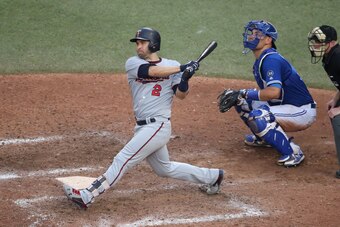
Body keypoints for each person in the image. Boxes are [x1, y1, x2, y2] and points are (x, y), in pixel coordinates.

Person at [62, 27, 224, 209]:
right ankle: (212, 176)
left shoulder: (172, 65)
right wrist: (181, 68)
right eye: (137, 43)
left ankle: (88, 194)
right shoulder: (133, 63)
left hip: (157, 126)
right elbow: (152, 72)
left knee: (122, 159)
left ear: (153, 44)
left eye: (142, 43)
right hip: (143, 127)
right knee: (164, 169)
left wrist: (185, 78)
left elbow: (180, 94)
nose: (138, 47)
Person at [220, 20, 317, 167]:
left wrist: (245, 92)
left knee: (259, 116)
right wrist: (243, 94)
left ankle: (293, 152)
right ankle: (265, 138)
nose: (252, 36)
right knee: (240, 99)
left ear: (268, 39)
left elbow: (274, 92)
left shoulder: (271, 60)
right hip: (285, 105)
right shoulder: (263, 59)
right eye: (251, 33)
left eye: (258, 34)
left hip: (300, 110)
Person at [308, 25, 340, 178]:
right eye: (314, 42)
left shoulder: (338, 58)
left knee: (338, 118)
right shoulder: (329, 57)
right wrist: (335, 99)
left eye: (319, 42)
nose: (315, 46)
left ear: (331, 43)